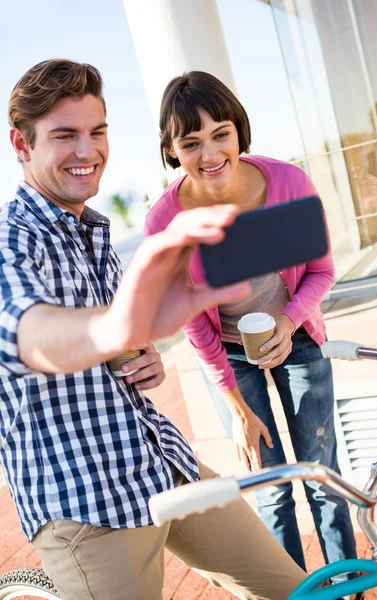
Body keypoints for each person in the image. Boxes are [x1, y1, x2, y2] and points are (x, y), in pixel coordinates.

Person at [0, 59, 306, 600]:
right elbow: (31, 333)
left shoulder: (93, 231)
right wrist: (113, 327)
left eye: (97, 132)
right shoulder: (11, 244)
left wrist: (147, 357)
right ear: (22, 146)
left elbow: (128, 344)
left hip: (162, 462)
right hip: (85, 504)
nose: (86, 150)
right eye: (64, 135)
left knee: (295, 592)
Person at [145, 71, 358, 579]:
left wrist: (288, 322)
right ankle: (289, 593)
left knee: (322, 476)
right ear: (171, 149)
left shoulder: (287, 184)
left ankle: (347, 588)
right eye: (191, 142)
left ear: (238, 129)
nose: (210, 152)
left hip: (298, 338)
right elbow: (197, 327)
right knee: (269, 486)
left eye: (220, 133)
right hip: (230, 357)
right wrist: (236, 407)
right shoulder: (167, 222)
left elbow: (322, 271)